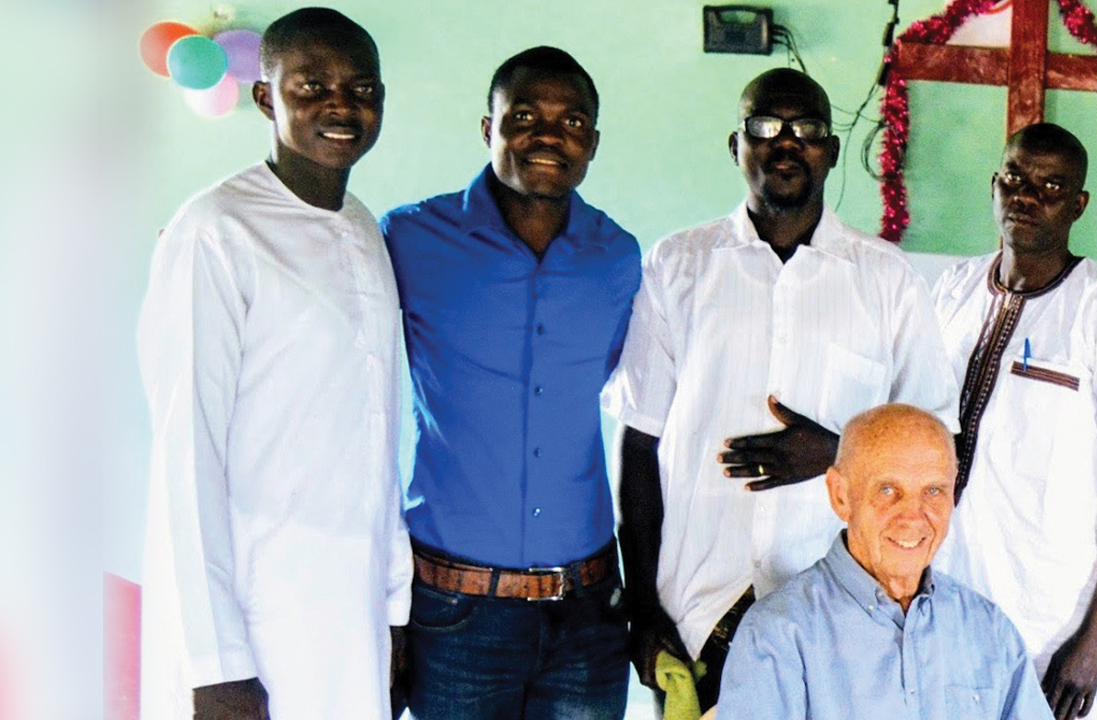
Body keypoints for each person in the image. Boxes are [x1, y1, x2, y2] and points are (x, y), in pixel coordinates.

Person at [603, 67, 959, 711]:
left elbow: (936, 445)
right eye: (764, 126)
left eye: (807, 129)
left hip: (843, 609)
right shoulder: (677, 266)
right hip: (696, 606)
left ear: (831, 149)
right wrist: (644, 604)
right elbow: (639, 446)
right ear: (736, 146)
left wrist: (835, 454)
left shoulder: (886, 281)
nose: (786, 142)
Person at [136, 8, 410, 720]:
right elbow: (185, 453)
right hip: (253, 623)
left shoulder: (363, 230)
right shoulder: (216, 233)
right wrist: (216, 664)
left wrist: (393, 608)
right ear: (265, 97)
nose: (341, 106)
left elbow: (377, 439)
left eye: (362, 89)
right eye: (312, 84)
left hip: (349, 617)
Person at [380, 47, 640, 719]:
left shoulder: (618, 256)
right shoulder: (409, 239)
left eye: (572, 120)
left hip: (588, 611)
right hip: (456, 612)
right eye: (524, 115)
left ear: (594, 142)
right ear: (487, 127)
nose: (549, 135)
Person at [931, 123, 1097, 720]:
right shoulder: (953, 292)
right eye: (1014, 177)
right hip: (949, 602)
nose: (1027, 196)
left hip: (1054, 621)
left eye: (1052, 185)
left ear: (1078, 204)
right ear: (994, 185)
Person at [716, 404, 1053, 719]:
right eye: (888, 490)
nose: (912, 517)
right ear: (841, 496)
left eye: (934, 491)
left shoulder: (989, 630)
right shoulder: (778, 634)